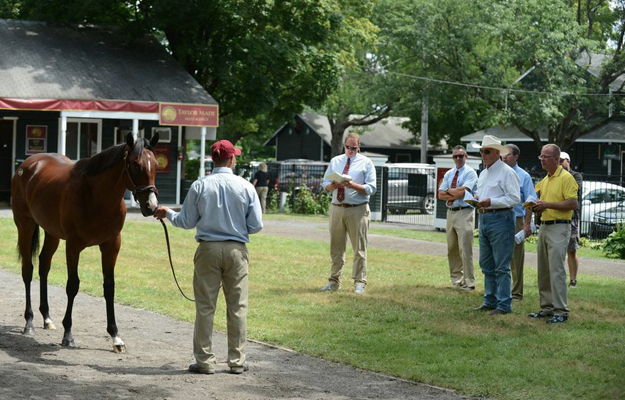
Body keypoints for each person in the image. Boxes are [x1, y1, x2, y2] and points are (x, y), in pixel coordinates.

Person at [154, 139, 263, 374]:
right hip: (236, 249)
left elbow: (186, 221)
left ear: (212, 160)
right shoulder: (246, 186)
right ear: (232, 159)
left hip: (207, 249)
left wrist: (167, 213)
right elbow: (256, 225)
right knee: (237, 307)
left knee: (205, 307)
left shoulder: (199, 185)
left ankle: (204, 361)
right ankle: (237, 361)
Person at [320, 133, 377, 294]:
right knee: (336, 247)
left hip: (357, 209)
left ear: (359, 147)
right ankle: (333, 281)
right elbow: (325, 184)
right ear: (344, 146)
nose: (350, 150)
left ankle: (359, 282)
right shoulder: (336, 161)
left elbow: (371, 188)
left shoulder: (366, 163)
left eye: (354, 148)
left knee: (359, 248)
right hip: (337, 208)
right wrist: (332, 185)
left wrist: (353, 185)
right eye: (347, 147)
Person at [530, 144, 578, 324]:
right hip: (544, 226)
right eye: (540, 156)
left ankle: (561, 311)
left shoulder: (566, 178)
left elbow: (573, 204)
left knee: (556, 269)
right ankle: (547, 307)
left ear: (556, 159)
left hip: (559, 226)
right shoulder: (546, 179)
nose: (542, 160)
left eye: (545, 157)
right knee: (543, 269)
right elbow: (535, 196)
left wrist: (546, 204)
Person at [473, 135, 520, 315]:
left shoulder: (508, 172)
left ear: (496, 153)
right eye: (481, 151)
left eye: (486, 151)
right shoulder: (484, 173)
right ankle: (490, 300)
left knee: (501, 265)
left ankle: (503, 305)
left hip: (501, 219)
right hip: (485, 218)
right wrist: (477, 199)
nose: (483, 155)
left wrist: (490, 201)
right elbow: (481, 193)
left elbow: (515, 198)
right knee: (486, 263)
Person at [438, 145, 478, 291]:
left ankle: (469, 283)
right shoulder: (449, 173)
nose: (458, 159)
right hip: (451, 213)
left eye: (461, 156)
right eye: (455, 156)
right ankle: (457, 280)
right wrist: (451, 192)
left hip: (465, 212)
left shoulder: (471, 173)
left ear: (466, 157)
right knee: (452, 248)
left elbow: (463, 192)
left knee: (465, 249)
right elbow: (440, 194)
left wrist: (448, 191)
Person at [502, 144, 536, 300]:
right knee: (500, 255)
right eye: (503, 154)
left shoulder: (524, 176)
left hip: (516, 219)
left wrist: (527, 223)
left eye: (507, 154)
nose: (504, 157)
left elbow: (530, 200)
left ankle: (516, 292)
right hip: (500, 218)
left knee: (516, 258)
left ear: (516, 156)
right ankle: (500, 290)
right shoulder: (498, 173)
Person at [559, 151, 582, 288]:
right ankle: (558, 278)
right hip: (558, 217)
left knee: (571, 250)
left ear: (568, 161)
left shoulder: (576, 176)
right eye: (558, 161)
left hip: (572, 218)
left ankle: (573, 280)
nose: (560, 163)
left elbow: (573, 192)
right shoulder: (553, 176)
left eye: (562, 161)